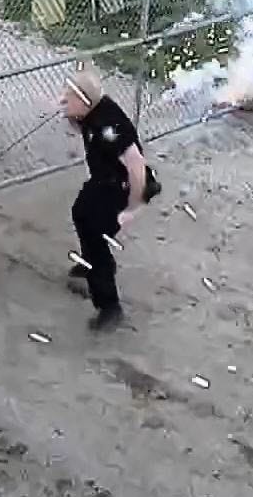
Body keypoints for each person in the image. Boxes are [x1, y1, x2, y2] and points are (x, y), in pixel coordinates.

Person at [60, 69, 150, 331]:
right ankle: (93, 261)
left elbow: (136, 166)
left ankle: (109, 306)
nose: (64, 100)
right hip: (102, 180)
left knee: (95, 234)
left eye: (69, 97)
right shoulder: (89, 113)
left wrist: (135, 205)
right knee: (82, 213)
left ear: (85, 100)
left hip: (120, 187)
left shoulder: (109, 126)